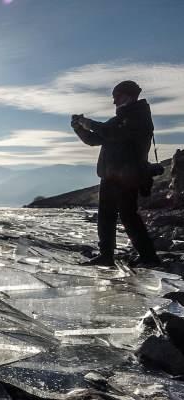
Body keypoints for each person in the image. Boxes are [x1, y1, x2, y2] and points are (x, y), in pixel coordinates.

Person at [71, 80, 160, 267]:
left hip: (125, 176)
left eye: (116, 97)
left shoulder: (138, 117)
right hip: (114, 175)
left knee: (115, 215)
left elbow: (111, 133)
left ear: (127, 95)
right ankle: (143, 257)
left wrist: (88, 122)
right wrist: (79, 128)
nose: (114, 102)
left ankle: (118, 256)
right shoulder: (120, 119)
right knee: (121, 216)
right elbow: (95, 139)